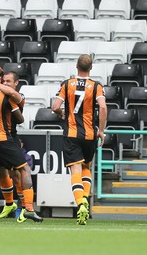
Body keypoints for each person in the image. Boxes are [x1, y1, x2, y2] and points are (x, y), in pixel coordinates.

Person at [0, 69, 42, 224]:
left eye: (8, 82)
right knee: (4, 173)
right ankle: (14, 205)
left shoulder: (9, 95)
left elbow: (19, 118)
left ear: (16, 83)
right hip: (4, 138)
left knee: (13, 174)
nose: (5, 84)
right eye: (3, 81)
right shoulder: (4, 95)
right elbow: (20, 119)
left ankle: (21, 206)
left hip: (5, 138)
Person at [52, 54, 107, 225]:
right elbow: (103, 107)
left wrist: (62, 113)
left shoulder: (67, 84)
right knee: (86, 167)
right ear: (90, 68)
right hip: (89, 134)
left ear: (76, 66)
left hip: (72, 133)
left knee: (75, 170)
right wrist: (102, 131)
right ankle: (85, 200)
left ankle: (80, 203)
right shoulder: (96, 86)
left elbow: (55, 107)